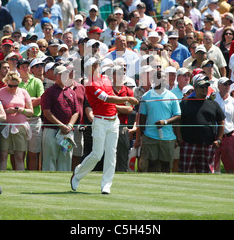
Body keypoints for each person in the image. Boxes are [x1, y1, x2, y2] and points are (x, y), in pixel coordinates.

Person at [71, 57, 138, 194]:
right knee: (97, 154)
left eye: (97, 64)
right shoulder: (89, 83)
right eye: (94, 65)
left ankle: (106, 184)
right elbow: (106, 98)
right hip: (100, 121)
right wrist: (127, 99)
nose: (97, 66)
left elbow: (111, 94)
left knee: (111, 154)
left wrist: (126, 103)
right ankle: (78, 174)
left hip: (114, 121)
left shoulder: (106, 79)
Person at [178, 75, 225, 173]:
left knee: (207, 173)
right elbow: (178, 121)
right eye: (201, 87)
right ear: (195, 88)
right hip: (188, 142)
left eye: (206, 87)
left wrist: (219, 139)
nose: (204, 89)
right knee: (185, 172)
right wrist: (179, 138)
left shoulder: (213, 104)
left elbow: (221, 122)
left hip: (208, 143)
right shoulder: (185, 103)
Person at [138, 71, 181, 172]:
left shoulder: (172, 96)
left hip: (167, 137)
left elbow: (178, 116)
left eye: (162, 77)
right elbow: (142, 117)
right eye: (157, 77)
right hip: (150, 137)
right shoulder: (146, 96)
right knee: (150, 165)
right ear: (153, 80)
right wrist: (142, 135)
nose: (160, 79)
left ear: (165, 79)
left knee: (166, 165)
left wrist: (165, 122)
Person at [41, 65, 79, 171]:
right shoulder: (49, 92)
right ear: (56, 76)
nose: (66, 76)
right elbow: (47, 112)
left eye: (66, 74)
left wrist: (69, 125)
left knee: (66, 159)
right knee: (49, 160)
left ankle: (63, 184)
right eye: (63, 74)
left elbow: (76, 112)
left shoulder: (71, 92)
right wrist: (61, 125)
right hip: (51, 131)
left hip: (67, 132)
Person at [0, 71, 34, 170]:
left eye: (15, 86)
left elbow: (31, 111)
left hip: (20, 126)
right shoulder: (0, 92)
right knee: (3, 154)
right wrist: (6, 111)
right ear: (6, 82)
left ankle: (21, 177)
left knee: (19, 156)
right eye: (10, 85)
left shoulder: (23, 92)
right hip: (5, 127)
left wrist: (22, 110)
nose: (13, 88)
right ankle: (2, 176)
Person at [17, 58, 44, 170]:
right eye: (22, 66)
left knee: (33, 152)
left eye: (27, 66)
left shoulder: (37, 81)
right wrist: (32, 101)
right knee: (20, 152)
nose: (26, 68)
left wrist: (24, 103)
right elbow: (14, 100)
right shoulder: (15, 82)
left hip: (34, 119)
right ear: (18, 69)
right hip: (20, 119)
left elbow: (42, 99)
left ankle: (33, 176)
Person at [214, 77, 234, 173]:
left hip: (229, 136)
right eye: (224, 84)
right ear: (218, 86)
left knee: (231, 167)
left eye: (229, 84)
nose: (227, 86)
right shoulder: (212, 99)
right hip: (214, 136)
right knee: (212, 165)